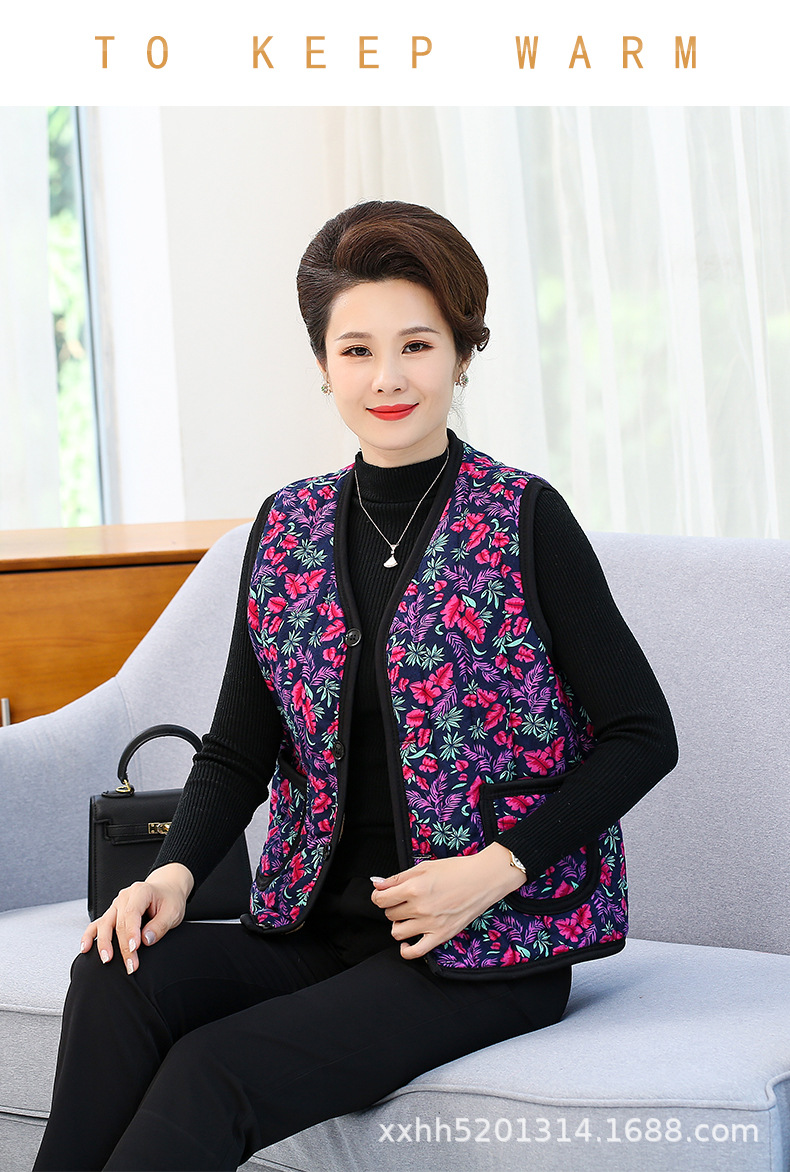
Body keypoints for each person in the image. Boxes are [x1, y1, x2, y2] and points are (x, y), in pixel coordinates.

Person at [34, 200, 678, 1172]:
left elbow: (642, 731)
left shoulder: (524, 518)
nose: (388, 378)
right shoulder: (286, 528)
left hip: (484, 943)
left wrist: (494, 868)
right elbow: (237, 750)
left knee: (213, 1071)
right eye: (357, 350)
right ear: (323, 364)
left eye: (416, 345)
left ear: (461, 354)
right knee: (115, 974)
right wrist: (170, 875)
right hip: (310, 924)